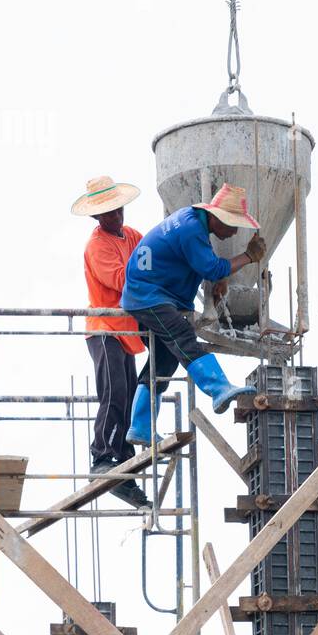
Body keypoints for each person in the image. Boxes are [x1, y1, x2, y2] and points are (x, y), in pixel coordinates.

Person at [121, 183, 266, 447]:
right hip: (148, 294)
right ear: (216, 217)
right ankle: (218, 389)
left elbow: (202, 264)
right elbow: (210, 267)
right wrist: (247, 256)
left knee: (164, 361)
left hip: (149, 293)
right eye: (232, 224)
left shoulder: (190, 223)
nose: (234, 231)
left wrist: (219, 275)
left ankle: (140, 425)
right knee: (183, 337)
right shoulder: (191, 230)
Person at [70, 176, 151, 509]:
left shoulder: (132, 236)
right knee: (114, 391)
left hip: (126, 330)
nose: (115, 216)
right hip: (104, 327)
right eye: (107, 213)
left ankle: (123, 462)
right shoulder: (97, 246)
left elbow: (151, 257)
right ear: (97, 217)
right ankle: (103, 456)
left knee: (130, 395)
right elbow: (122, 280)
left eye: (117, 209)